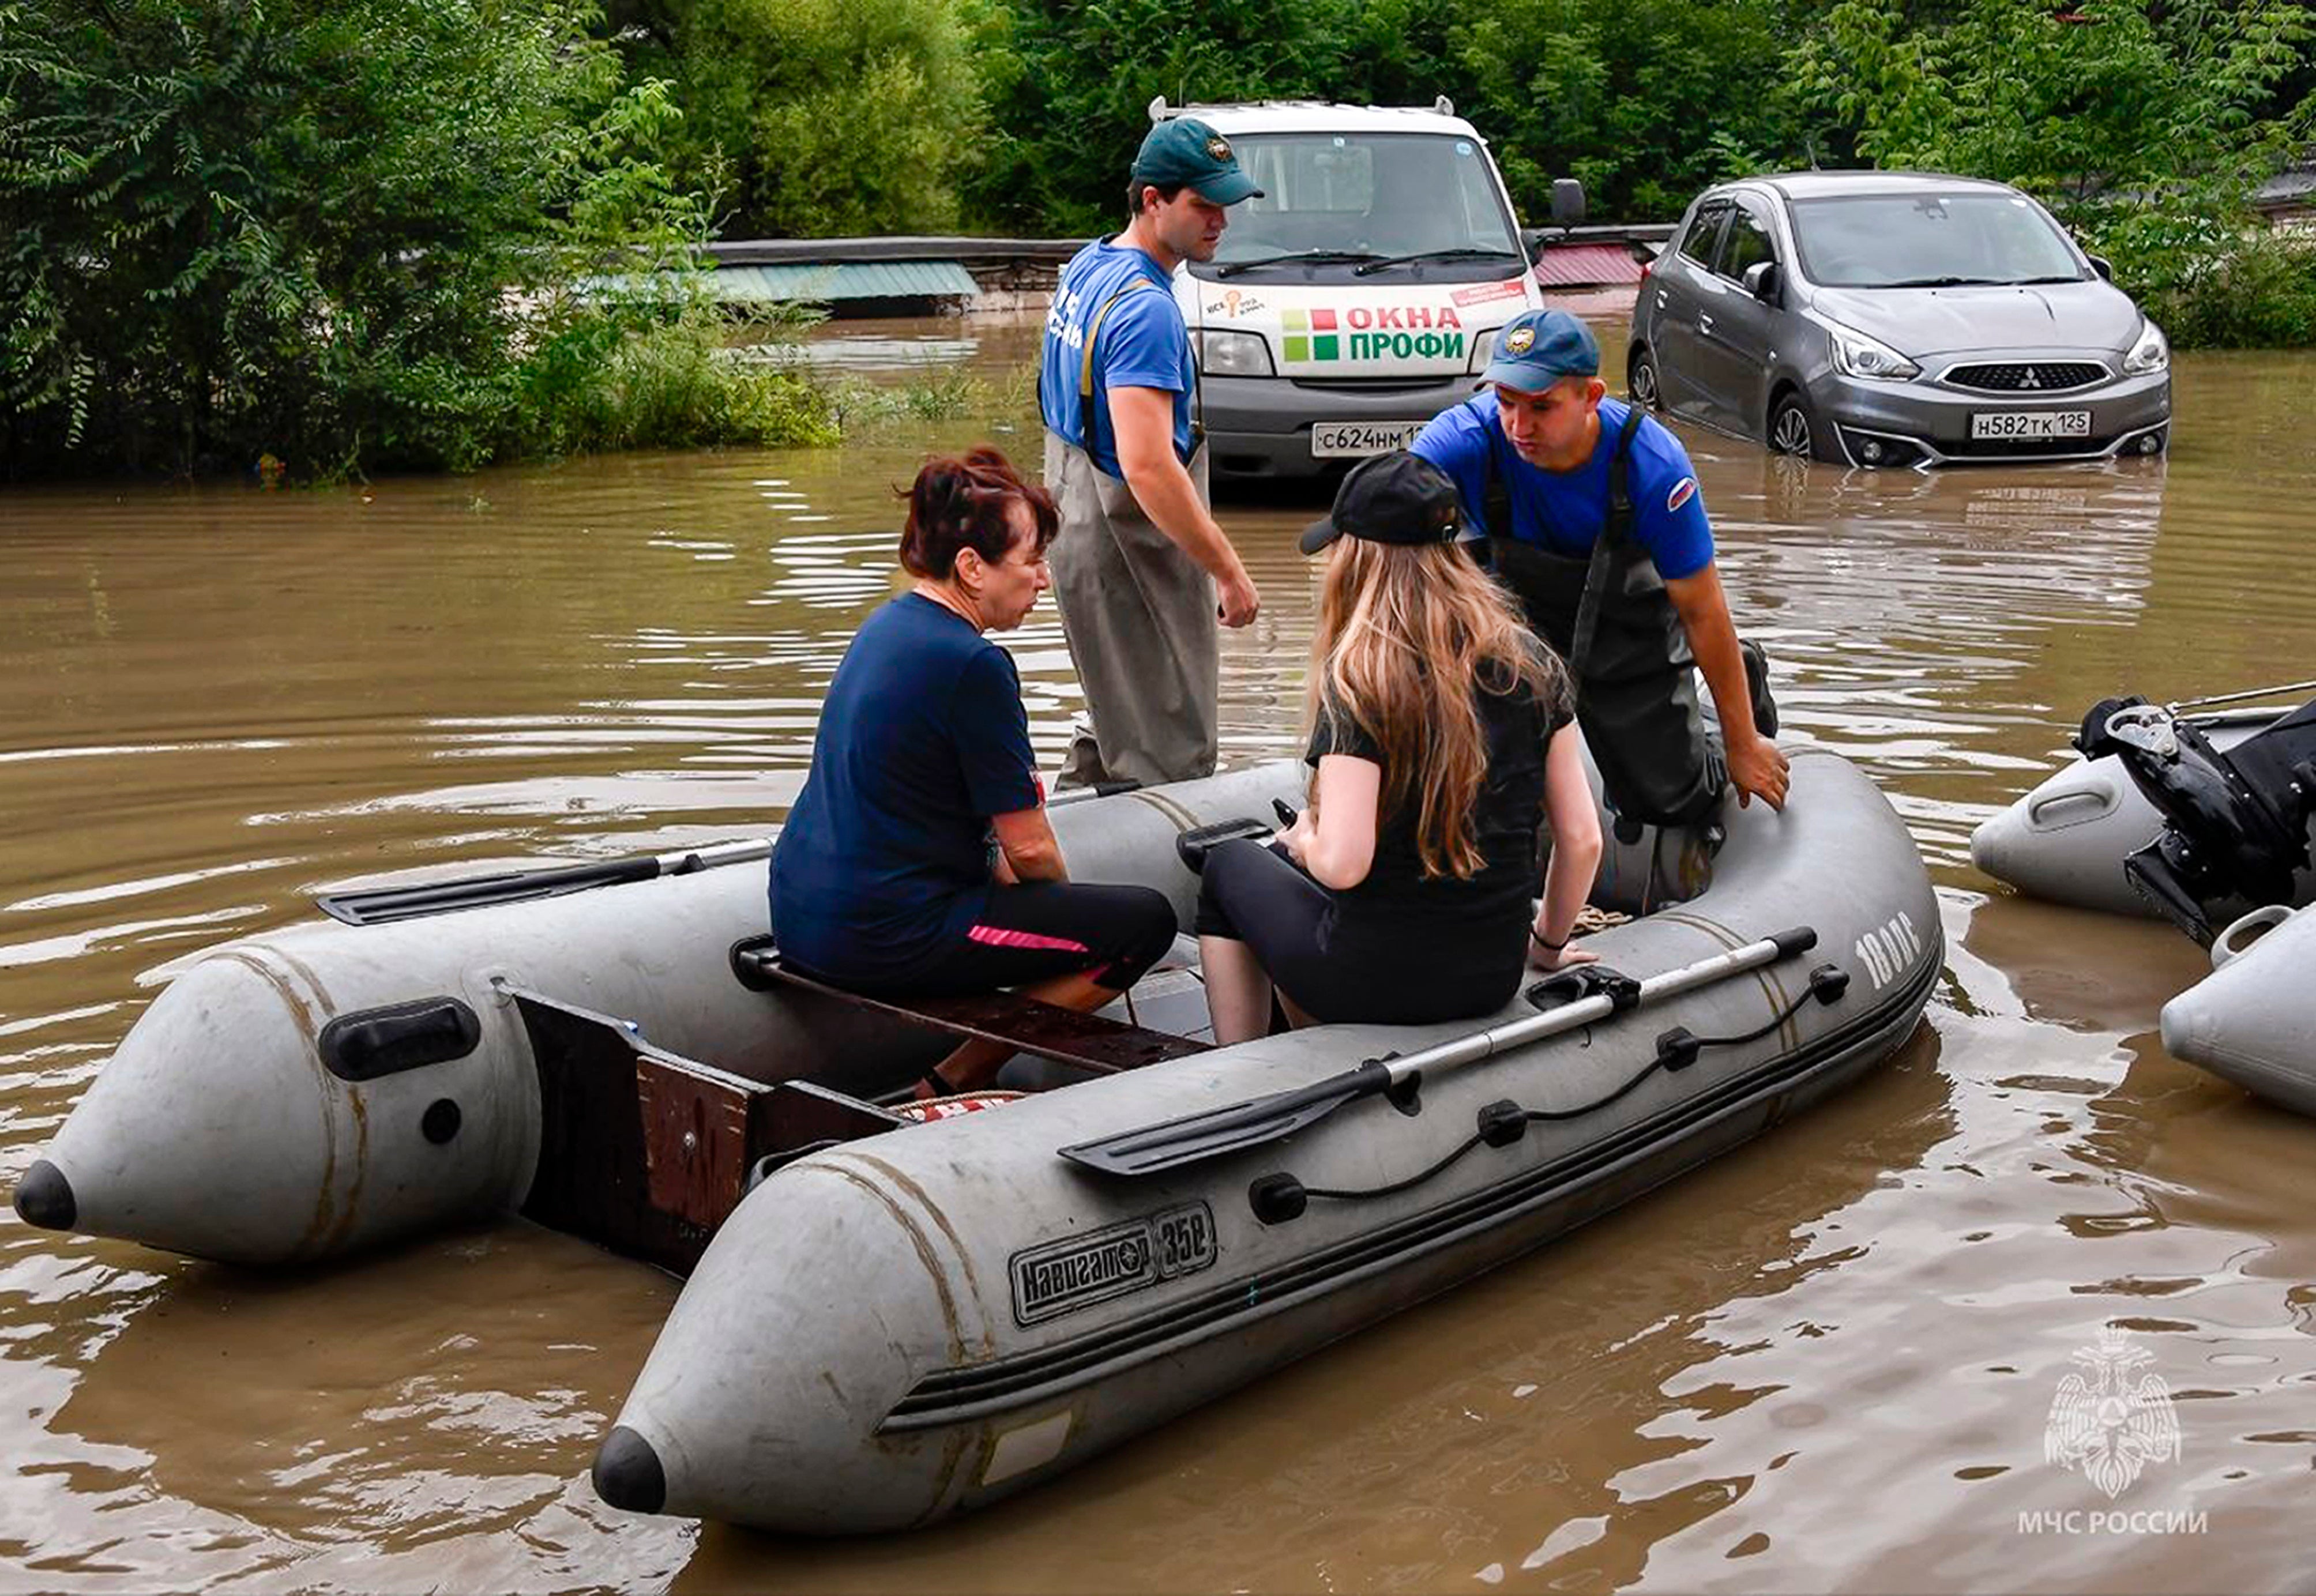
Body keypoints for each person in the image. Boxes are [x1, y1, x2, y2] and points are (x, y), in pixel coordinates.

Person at [768, 448, 1180, 1098]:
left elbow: (943, 806)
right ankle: (955, 1075)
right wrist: (1064, 921)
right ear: (971, 567)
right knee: (1143, 923)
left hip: (799, 912)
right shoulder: (975, 666)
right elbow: (1030, 847)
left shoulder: (888, 626)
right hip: (882, 935)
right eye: (1031, 561)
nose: (1043, 579)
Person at [1194, 452, 1604, 1045]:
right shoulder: (1530, 663)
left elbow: (1343, 863)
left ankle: (1240, 1068)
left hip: (1373, 983)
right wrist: (1545, 947)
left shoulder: (1360, 681)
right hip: (1491, 977)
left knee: (1228, 866)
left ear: (1357, 557)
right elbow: (1583, 839)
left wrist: (1304, 841)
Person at [1411, 307, 1788, 833]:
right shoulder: (1464, 439)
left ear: (1591, 397)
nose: (1519, 426)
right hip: (1510, 623)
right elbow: (1380, 510)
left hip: (1623, 626)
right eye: (1506, 402)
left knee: (1669, 802)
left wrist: (1743, 743)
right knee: (1489, 778)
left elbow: (1701, 609)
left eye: (1541, 407)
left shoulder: (1654, 465)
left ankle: (1733, 685)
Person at [1037, 116, 1265, 790]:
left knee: (1116, 711)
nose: (1219, 221)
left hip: (1072, 522)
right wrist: (1227, 570)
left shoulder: (1089, 264)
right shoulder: (1146, 311)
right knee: (1170, 740)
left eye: (1225, 204)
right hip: (1127, 546)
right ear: (1151, 200)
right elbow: (1147, 466)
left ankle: (1057, 835)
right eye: (1202, 204)